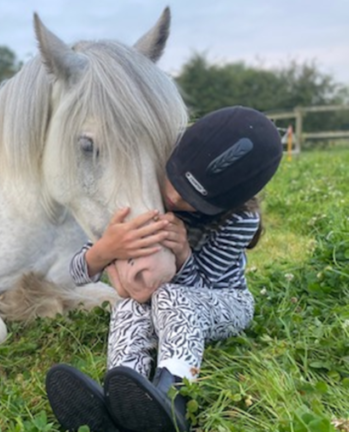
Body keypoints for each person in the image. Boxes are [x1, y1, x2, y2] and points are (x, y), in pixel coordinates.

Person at [45, 106, 283, 432]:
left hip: (224, 302)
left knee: (171, 295)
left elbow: (205, 287)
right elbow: (74, 274)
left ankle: (175, 398)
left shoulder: (239, 220)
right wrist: (104, 249)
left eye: (187, 200)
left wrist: (183, 253)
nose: (171, 195)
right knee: (129, 306)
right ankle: (121, 398)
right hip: (157, 303)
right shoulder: (144, 190)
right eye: (172, 180)